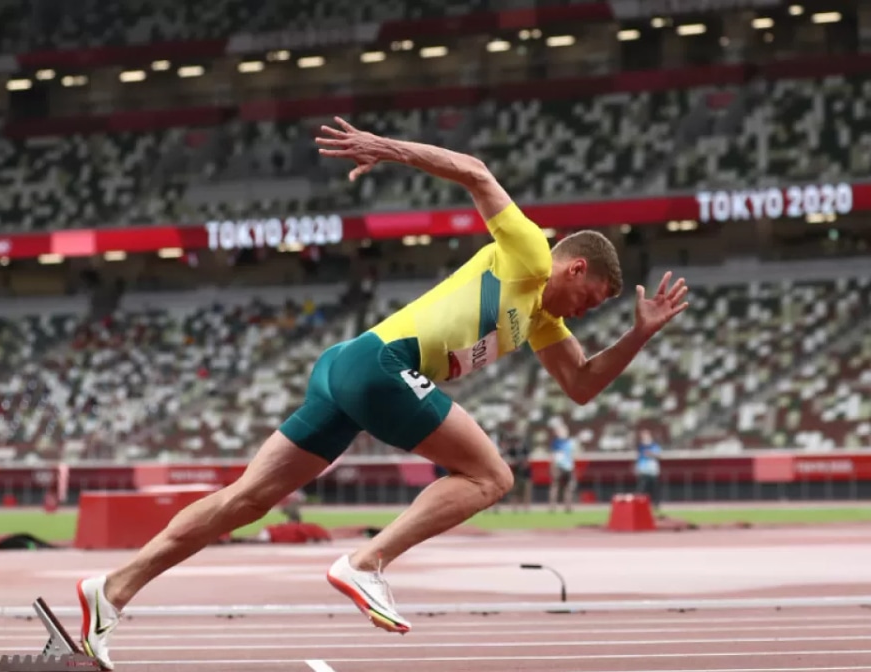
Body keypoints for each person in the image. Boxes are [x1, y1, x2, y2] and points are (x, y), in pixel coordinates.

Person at [72, 116, 690, 670]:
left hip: (345, 367)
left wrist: (638, 335)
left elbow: (581, 384)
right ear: (576, 269)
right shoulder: (529, 253)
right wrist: (383, 147)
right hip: (378, 365)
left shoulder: (539, 319)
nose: (587, 313)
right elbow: (476, 172)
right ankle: (365, 563)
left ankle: (113, 589)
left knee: (247, 500)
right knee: (491, 477)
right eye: (595, 299)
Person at [548, 423, 577, 513]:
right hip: (559, 466)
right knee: (555, 486)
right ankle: (553, 506)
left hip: (568, 467)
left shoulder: (570, 442)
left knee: (568, 487)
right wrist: (552, 466)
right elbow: (553, 455)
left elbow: (572, 455)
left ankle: (568, 506)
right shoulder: (556, 443)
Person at [635, 428, 663, 509]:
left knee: (654, 489)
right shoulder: (641, 446)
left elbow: (659, 456)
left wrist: (650, 454)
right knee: (641, 489)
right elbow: (639, 457)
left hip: (653, 471)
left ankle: (656, 505)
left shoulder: (654, 446)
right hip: (644, 470)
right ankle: (639, 504)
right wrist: (637, 467)